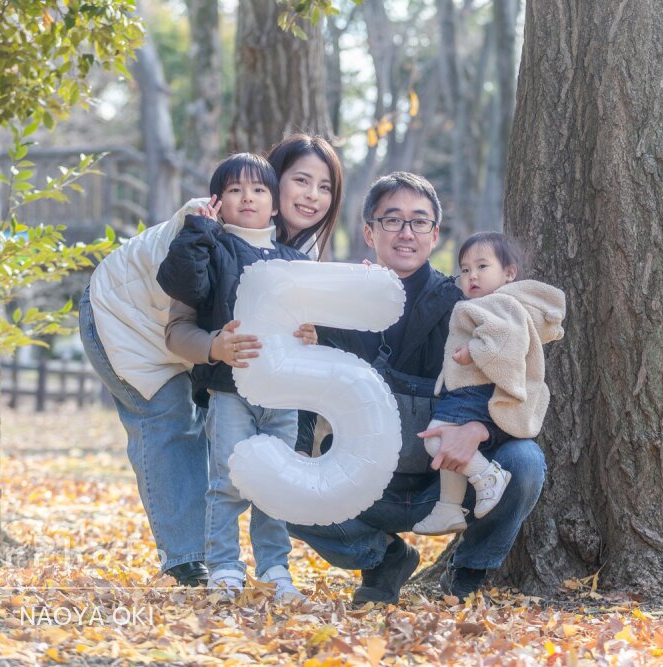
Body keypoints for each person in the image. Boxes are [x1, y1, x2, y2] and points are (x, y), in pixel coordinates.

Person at [78, 133, 343, 587]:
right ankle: (190, 561)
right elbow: (180, 318)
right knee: (169, 420)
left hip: (204, 344)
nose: (312, 196)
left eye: (324, 187)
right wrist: (213, 347)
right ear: (270, 179)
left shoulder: (297, 252)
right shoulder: (206, 220)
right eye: (301, 180)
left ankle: (253, 561)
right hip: (125, 319)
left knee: (221, 428)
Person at [287, 172, 548, 603]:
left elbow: (518, 384)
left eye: (419, 222)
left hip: (449, 483)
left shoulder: (467, 306)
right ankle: (382, 560)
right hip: (366, 484)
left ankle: (467, 574)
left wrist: (481, 430)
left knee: (525, 462)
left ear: (435, 234)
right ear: (369, 232)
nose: (406, 233)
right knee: (277, 481)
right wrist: (296, 446)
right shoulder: (337, 307)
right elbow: (305, 385)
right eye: (392, 220)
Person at [156, 153, 315, 601]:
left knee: (277, 482)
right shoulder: (212, 247)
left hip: (282, 394)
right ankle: (225, 567)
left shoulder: (291, 260)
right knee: (226, 481)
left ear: (276, 205)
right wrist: (199, 229)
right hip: (229, 391)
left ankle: (275, 568)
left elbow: (308, 319)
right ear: (217, 202)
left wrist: (311, 332)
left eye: (259, 189)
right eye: (234, 190)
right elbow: (183, 285)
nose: (247, 197)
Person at [412, 232, 565, 536]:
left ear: (509, 273)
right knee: (448, 446)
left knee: (436, 440)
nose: (472, 276)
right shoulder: (494, 303)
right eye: (465, 269)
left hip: (474, 394)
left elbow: (508, 340)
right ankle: (449, 507)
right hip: (466, 391)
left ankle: (486, 477)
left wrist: (473, 351)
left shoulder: (500, 304)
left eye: (482, 267)